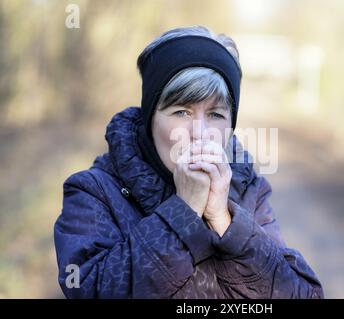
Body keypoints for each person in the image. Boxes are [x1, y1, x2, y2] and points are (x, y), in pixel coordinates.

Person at [54, 26, 323, 299]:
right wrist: (182, 212)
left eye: (216, 114)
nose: (200, 132)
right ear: (150, 119)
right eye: (181, 111)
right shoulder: (94, 193)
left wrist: (226, 222)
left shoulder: (249, 191)